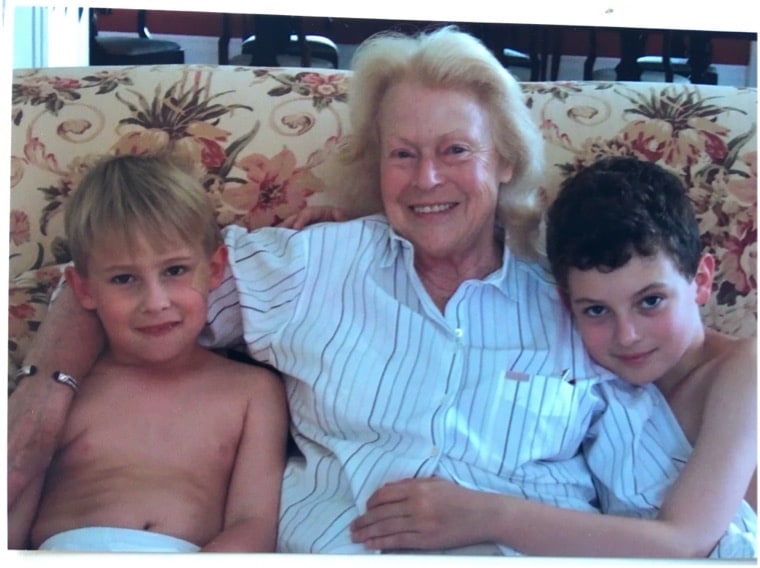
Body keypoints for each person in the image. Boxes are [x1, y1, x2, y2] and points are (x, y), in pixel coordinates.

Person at [5, 26, 750, 557]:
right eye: (403, 155)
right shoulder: (312, 266)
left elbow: (675, 517)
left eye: (455, 150)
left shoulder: (578, 304)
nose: (427, 179)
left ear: (503, 161)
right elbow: (121, 273)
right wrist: (46, 393)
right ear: (375, 166)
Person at [349, 156, 757, 557]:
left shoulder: (744, 369)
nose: (627, 335)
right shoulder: (594, 374)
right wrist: (357, 233)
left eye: (650, 301)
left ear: (701, 280)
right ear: (567, 304)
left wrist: (488, 516)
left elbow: (686, 542)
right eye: (596, 310)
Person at [7, 153, 288, 552]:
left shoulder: (253, 391)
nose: (155, 302)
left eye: (174, 271)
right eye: (124, 278)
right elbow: (15, 499)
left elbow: (253, 523)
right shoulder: (69, 388)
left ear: (215, 269)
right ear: (84, 288)